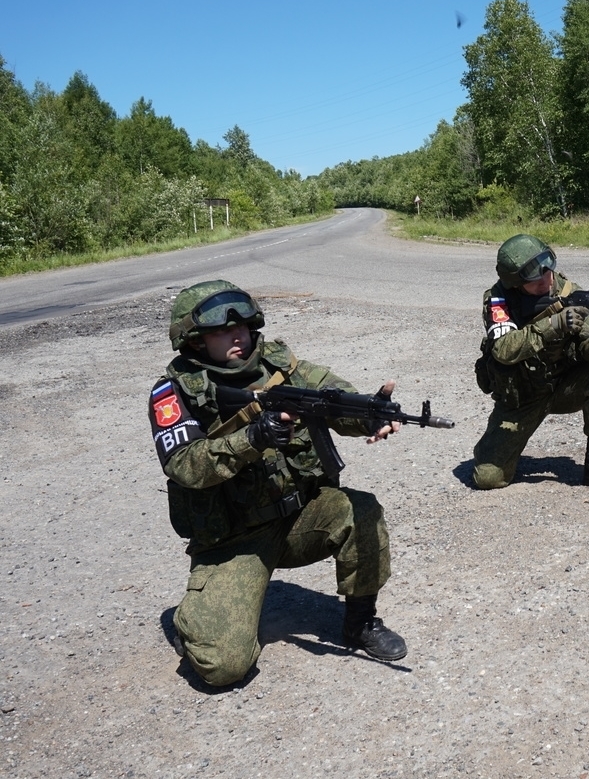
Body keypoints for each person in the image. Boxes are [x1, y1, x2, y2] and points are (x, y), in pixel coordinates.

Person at [149, 279, 407, 686]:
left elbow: (335, 397)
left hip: (298, 520)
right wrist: (251, 438)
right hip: (232, 539)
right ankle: (193, 618)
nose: (237, 335)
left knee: (361, 510)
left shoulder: (283, 368)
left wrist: (371, 415)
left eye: (243, 325)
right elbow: (184, 464)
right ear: (195, 341)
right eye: (221, 331)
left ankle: (360, 623)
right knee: (223, 668)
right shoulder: (175, 392)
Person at [472, 234, 589, 494]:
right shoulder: (499, 299)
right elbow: (503, 350)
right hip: (521, 397)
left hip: (562, 388)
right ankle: (490, 448)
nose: (546, 279)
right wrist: (552, 325)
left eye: (548, 268)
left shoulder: (569, 292)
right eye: (534, 277)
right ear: (514, 282)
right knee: (489, 479)